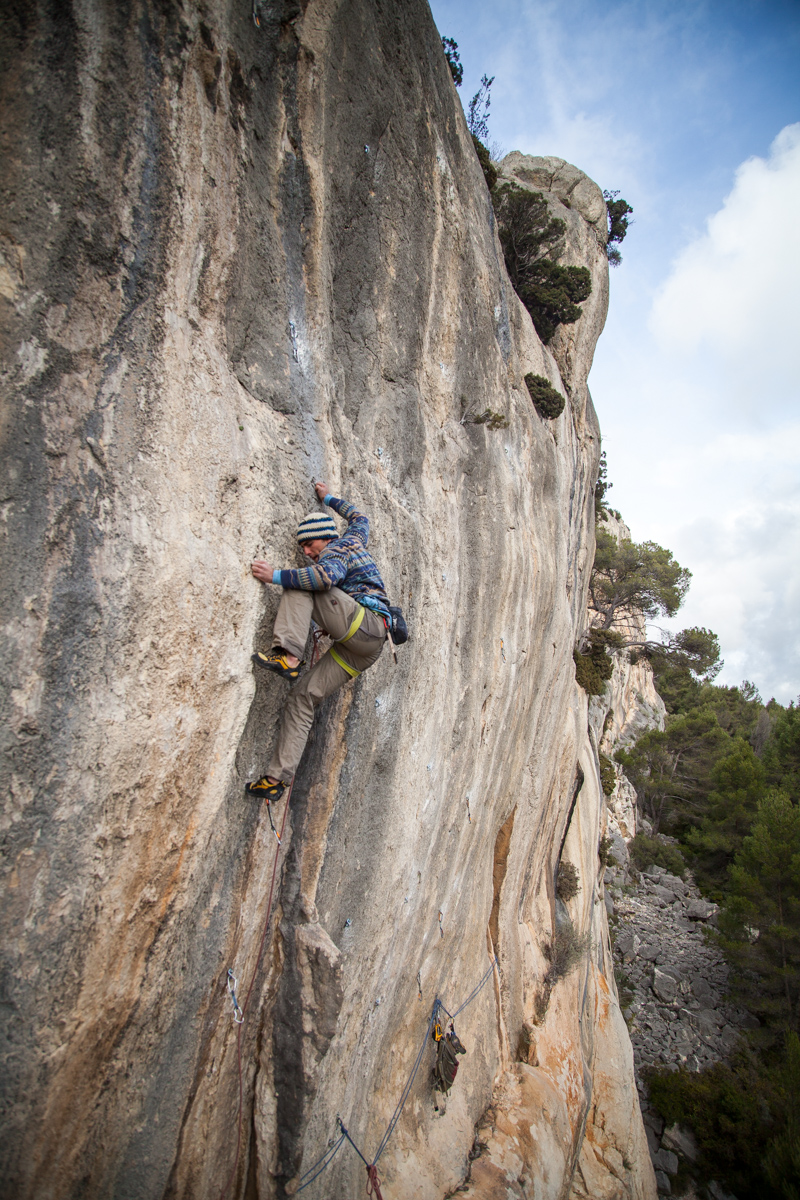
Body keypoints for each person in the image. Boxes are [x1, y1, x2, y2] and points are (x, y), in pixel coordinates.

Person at [247, 482, 389, 803]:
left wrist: (275, 576)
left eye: (309, 545)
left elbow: (324, 578)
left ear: (326, 537)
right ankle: (275, 779)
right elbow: (360, 518)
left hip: (364, 626)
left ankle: (289, 657)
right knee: (303, 696)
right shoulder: (354, 539)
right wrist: (327, 498)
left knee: (300, 582)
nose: (308, 552)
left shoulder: (335, 550)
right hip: (365, 647)